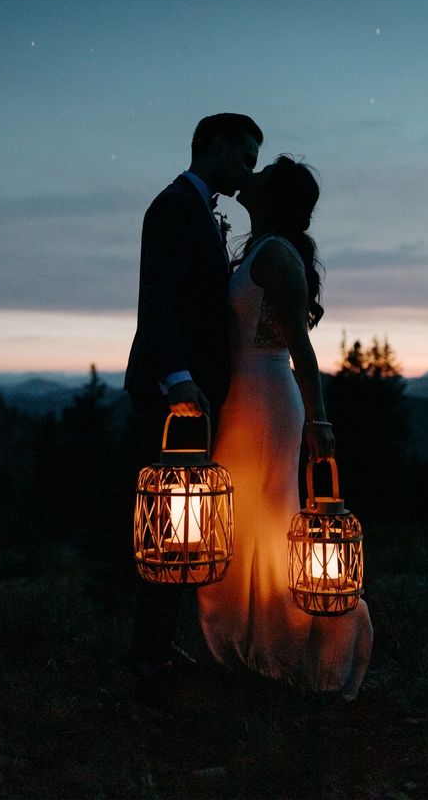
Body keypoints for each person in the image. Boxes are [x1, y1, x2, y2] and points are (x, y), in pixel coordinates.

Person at [198, 155, 373, 699]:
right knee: (240, 523)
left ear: (274, 196)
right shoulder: (257, 248)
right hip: (241, 400)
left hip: (268, 401)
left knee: (267, 521)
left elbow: (301, 345)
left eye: (263, 174)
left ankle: (289, 649)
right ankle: (245, 644)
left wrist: (319, 417)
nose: (250, 177)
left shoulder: (275, 254)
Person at [124, 112, 263, 675]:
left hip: (192, 391)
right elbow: (157, 297)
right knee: (163, 528)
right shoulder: (174, 206)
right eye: (244, 157)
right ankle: (147, 663)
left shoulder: (200, 211)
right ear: (214, 145)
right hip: (169, 392)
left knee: (183, 531)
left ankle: (156, 650)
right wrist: (177, 377)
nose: (248, 170)